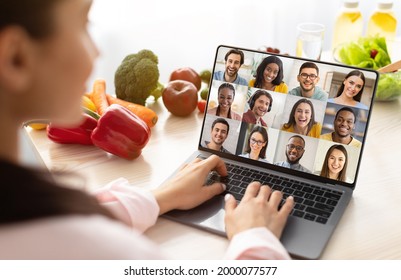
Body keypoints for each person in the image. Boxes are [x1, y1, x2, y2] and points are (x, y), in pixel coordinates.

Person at [0, 0, 294, 259]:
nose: (96, 50)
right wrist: (254, 238)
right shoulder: (113, 253)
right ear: (16, 58)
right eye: (82, 22)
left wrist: (158, 198)